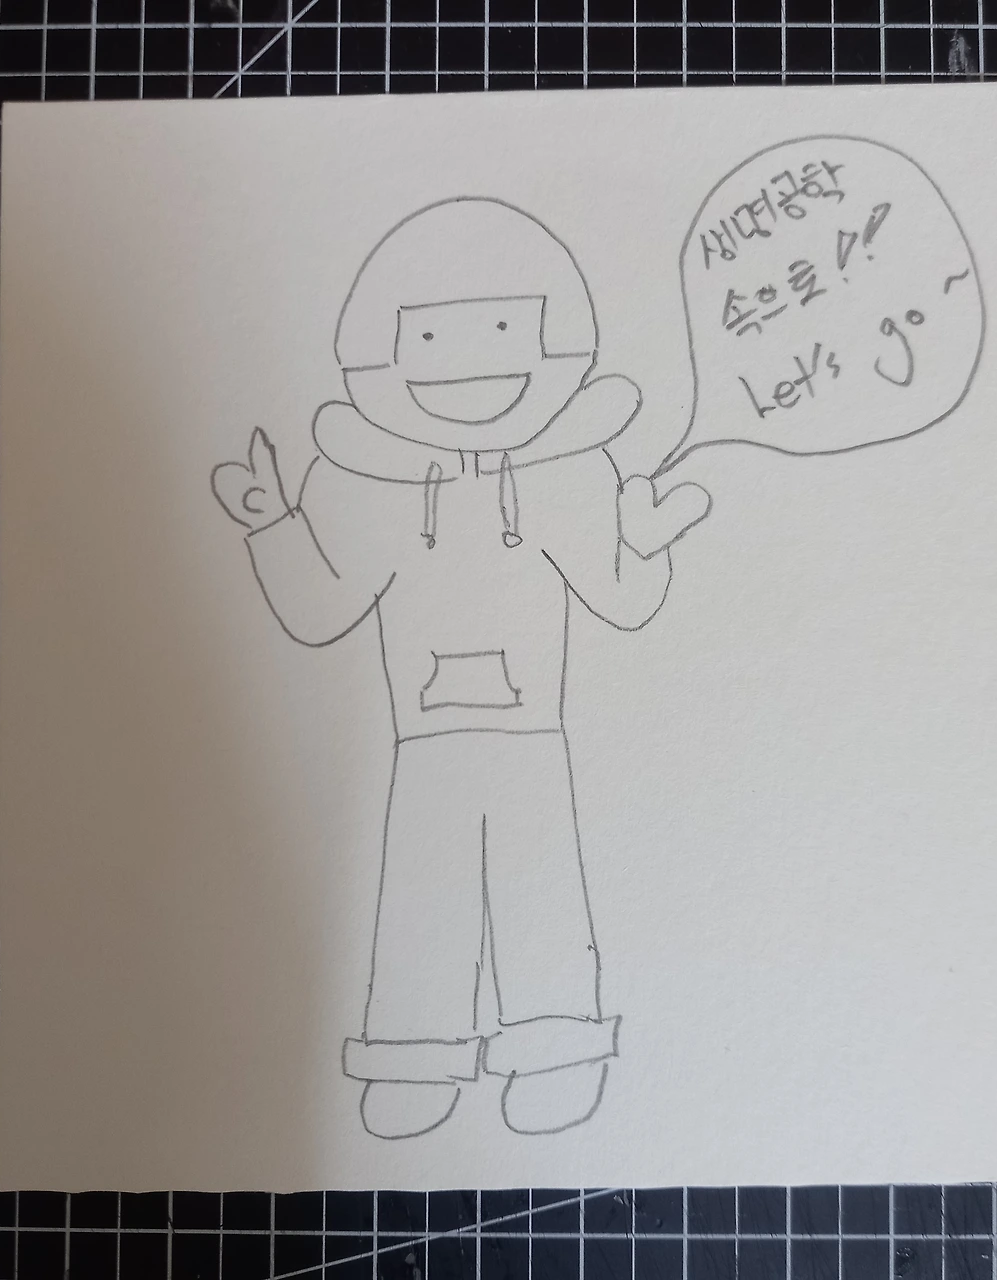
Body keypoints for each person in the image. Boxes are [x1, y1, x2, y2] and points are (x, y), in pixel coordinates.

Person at [212, 198, 709, 1139]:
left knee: (542, 888)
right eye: (431, 336)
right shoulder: (357, 479)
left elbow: (622, 599)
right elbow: (320, 611)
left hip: (533, 739)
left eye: (506, 331)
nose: (469, 360)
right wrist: (273, 525)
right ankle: (413, 1056)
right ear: (381, 351)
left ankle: (557, 1049)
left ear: (555, 340)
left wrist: (644, 546)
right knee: (421, 895)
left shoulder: (573, 470)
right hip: (424, 745)